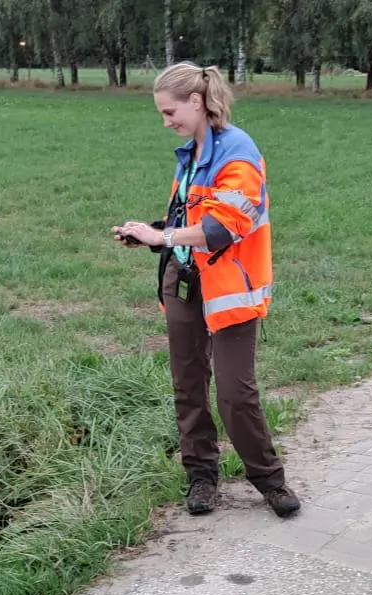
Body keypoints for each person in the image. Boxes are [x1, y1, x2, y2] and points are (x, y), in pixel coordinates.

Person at [111, 61, 301, 519]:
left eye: (170, 111)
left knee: (236, 394)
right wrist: (152, 232)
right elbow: (188, 221)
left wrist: (165, 238)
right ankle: (201, 477)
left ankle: (269, 481)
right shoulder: (192, 151)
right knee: (188, 385)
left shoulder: (238, 152)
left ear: (197, 102)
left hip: (229, 290)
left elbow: (225, 226)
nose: (166, 121)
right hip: (184, 281)